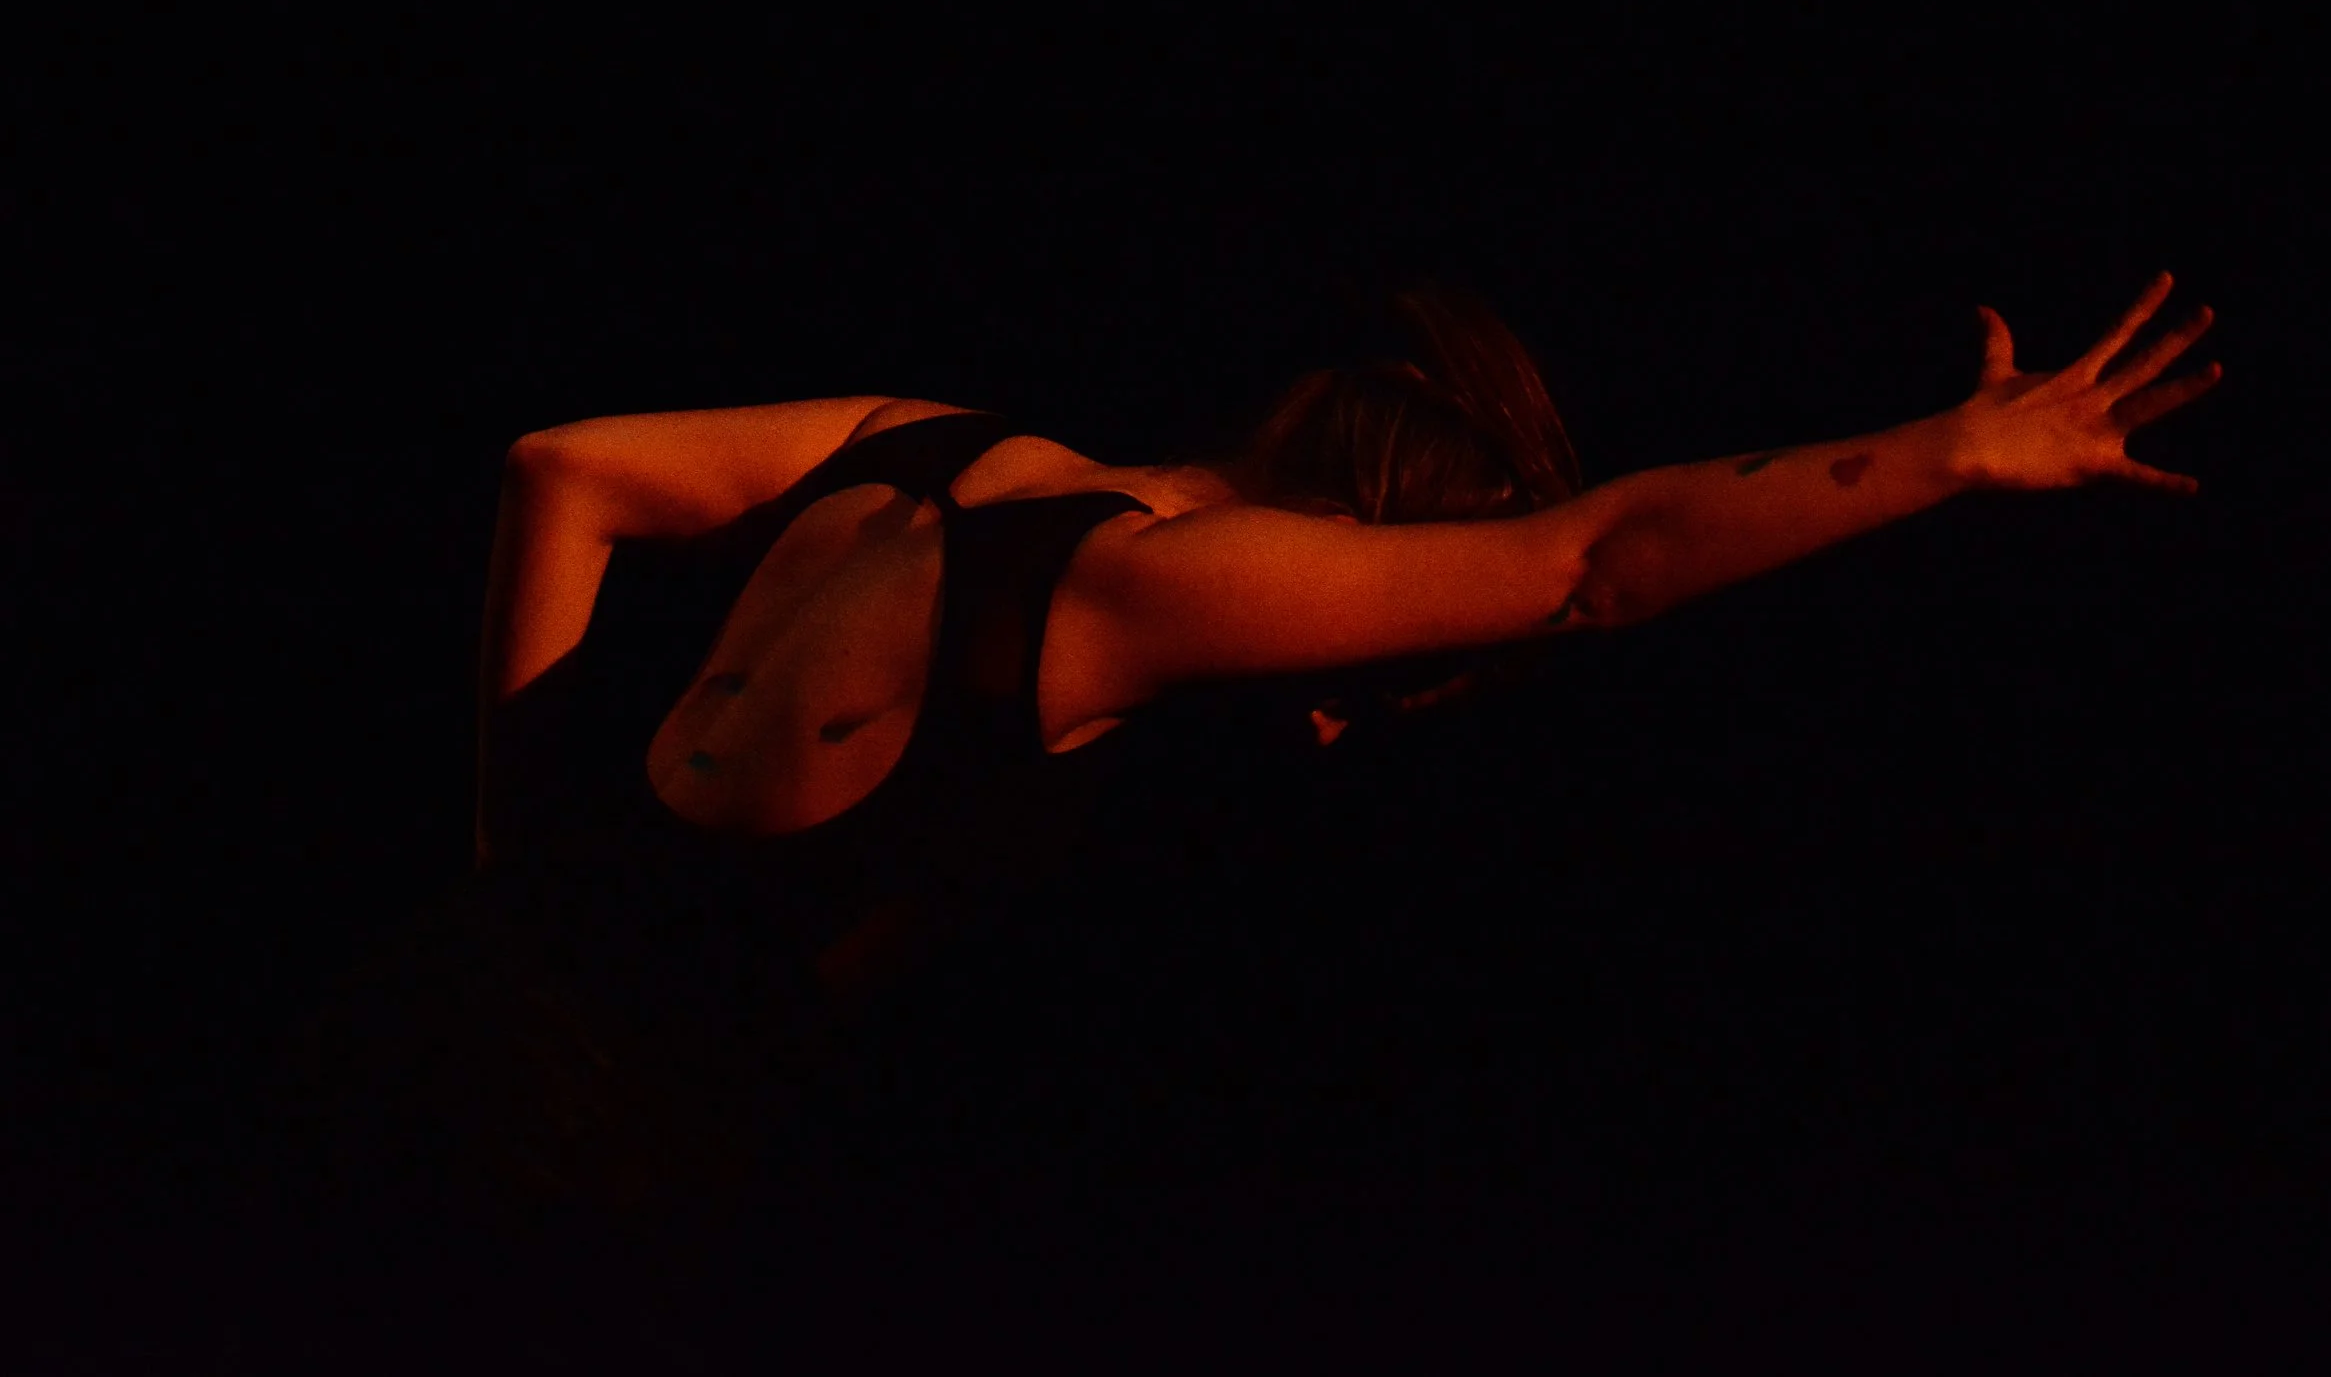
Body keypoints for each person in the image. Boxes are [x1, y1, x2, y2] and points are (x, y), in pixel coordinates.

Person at [281, 273, 2220, 1228]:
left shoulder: (922, 438)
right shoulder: (1145, 587)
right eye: (1375, 662)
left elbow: (563, 470)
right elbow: (1594, 567)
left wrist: (511, 878)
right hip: (560, 1148)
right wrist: (1952, 457)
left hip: (428, 1010)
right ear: (1355, 543)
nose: (1331, 710)